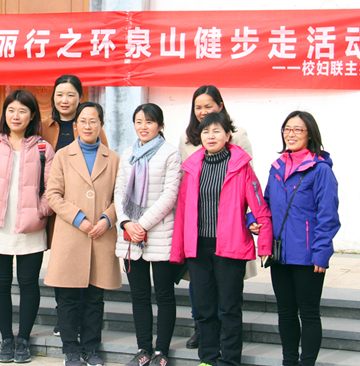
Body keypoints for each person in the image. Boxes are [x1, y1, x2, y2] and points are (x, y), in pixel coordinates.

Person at [171, 112, 273, 366]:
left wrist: (265, 244)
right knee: (204, 308)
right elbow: (182, 211)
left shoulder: (241, 167)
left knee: (229, 309)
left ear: (228, 135)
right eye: (206, 132)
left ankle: (230, 360)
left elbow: (259, 206)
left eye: (216, 131)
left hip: (230, 247)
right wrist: (178, 251)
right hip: (199, 248)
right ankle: (208, 358)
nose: (210, 136)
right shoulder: (193, 167)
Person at [0, 89, 55, 364]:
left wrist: (41, 211)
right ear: (4, 114)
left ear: (32, 115)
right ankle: (7, 339)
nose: (15, 116)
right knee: (1, 284)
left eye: (22, 110)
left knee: (29, 285)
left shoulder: (43, 148)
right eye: (11, 110)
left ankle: (24, 339)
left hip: (31, 228)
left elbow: (52, 188)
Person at [178, 85, 254, 349]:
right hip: (199, 232)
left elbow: (249, 182)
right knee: (200, 288)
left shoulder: (237, 136)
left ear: (220, 107)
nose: (202, 112)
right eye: (198, 107)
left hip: (229, 231)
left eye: (208, 106)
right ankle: (203, 334)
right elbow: (184, 187)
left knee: (228, 294)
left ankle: (226, 343)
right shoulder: (187, 139)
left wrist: (251, 219)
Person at [45, 102, 121, 366]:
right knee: (67, 297)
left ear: (101, 125)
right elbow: (53, 195)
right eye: (83, 121)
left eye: (93, 121)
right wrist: (79, 219)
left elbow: (120, 197)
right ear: (76, 125)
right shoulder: (63, 156)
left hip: (101, 235)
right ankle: (71, 349)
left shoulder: (113, 159)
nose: (88, 126)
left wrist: (107, 219)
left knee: (94, 297)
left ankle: (91, 348)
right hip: (71, 234)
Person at [264, 111, 340, 366]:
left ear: (310, 135)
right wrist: (253, 220)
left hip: (308, 255)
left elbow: (328, 215)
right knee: (285, 312)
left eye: (298, 129)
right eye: (287, 129)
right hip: (279, 253)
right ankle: (289, 362)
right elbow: (266, 204)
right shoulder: (277, 167)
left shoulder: (320, 170)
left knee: (308, 314)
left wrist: (321, 252)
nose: (291, 134)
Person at [39, 74, 107, 337]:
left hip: (86, 212)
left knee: (84, 260)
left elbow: (105, 169)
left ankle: (81, 316)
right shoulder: (44, 127)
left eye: (70, 94)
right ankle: (65, 316)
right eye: (59, 94)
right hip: (55, 207)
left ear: (80, 97)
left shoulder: (91, 126)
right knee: (62, 261)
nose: (64, 100)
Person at [114, 104, 182, 366]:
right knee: (139, 296)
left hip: (160, 234)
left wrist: (141, 224)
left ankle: (161, 351)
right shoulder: (128, 153)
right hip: (131, 236)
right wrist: (126, 223)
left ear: (160, 125)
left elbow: (170, 196)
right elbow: (119, 192)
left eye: (150, 122)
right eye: (139, 121)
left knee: (164, 295)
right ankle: (143, 348)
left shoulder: (170, 153)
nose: (143, 127)